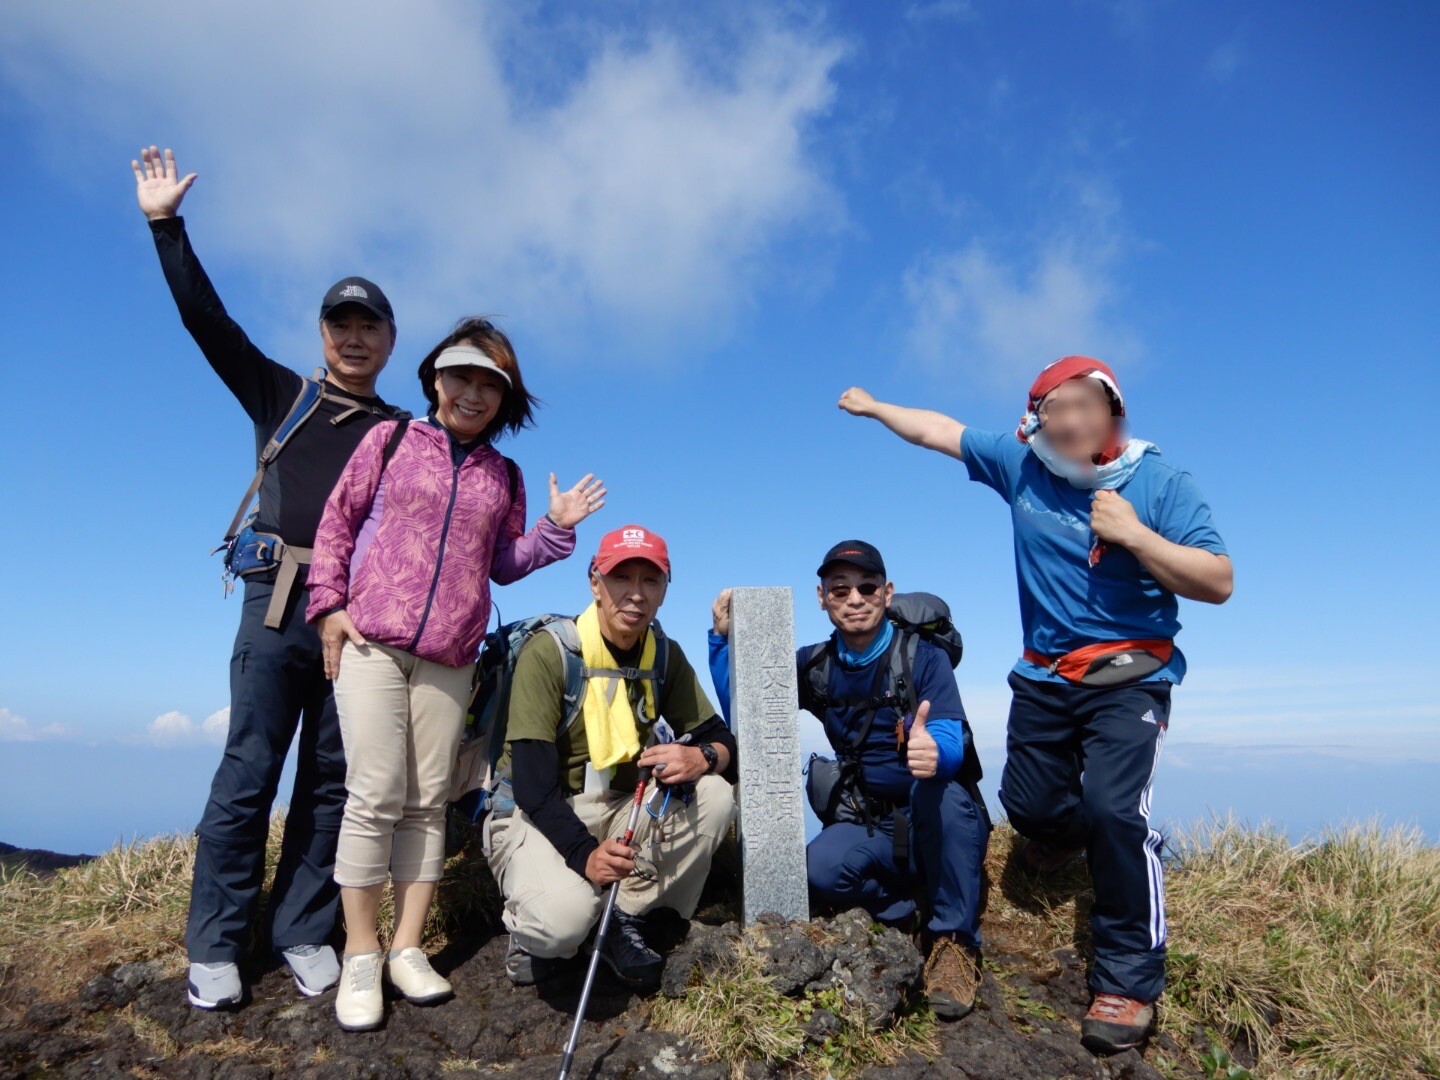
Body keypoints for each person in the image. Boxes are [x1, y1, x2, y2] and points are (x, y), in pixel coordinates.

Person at [838, 357, 1232, 1054]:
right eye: (1058, 407)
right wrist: (875, 408)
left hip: (1131, 675)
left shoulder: (1159, 482)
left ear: (1113, 412)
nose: (1074, 420)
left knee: (1115, 811)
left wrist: (1136, 535)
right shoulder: (1022, 465)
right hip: (1044, 677)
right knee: (1029, 808)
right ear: (1036, 419)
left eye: (1089, 405)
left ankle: (1128, 980)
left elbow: (1218, 580)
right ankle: (1069, 834)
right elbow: (939, 431)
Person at [134, 145, 410, 1009]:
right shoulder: (282, 394)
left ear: (390, 341)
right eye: (340, 325)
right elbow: (207, 323)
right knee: (249, 770)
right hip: (278, 602)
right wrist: (166, 227)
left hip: (357, 621)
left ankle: (300, 929)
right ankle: (216, 943)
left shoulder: (404, 432)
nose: (354, 338)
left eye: (369, 327)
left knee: (332, 781)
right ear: (322, 335)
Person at [306, 320, 605, 1031]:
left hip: (451, 655)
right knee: (373, 794)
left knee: (425, 801)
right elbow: (337, 521)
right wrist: (328, 606)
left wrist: (556, 529)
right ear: (435, 380)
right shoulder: (390, 439)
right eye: (461, 377)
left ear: (505, 398)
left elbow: (503, 563)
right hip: (373, 641)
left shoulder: (505, 475)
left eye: (489, 384)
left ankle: (407, 947)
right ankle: (361, 952)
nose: (473, 393)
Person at [708, 542, 990, 1020]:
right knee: (818, 871)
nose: (855, 598)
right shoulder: (814, 665)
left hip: (935, 814)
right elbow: (747, 708)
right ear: (822, 598)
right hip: (870, 820)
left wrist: (936, 753)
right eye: (840, 590)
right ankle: (904, 911)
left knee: (942, 796)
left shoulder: (922, 656)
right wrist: (722, 641)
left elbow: (947, 733)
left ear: (887, 593)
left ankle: (953, 942)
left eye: (867, 587)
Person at [488, 525, 738, 991]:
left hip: (622, 805)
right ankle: (536, 932)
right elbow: (533, 788)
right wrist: (586, 856)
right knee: (562, 924)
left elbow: (723, 741)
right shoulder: (552, 653)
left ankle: (624, 914)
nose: (636, 594)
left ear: (664, 590)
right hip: (542, 811)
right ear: (595, 582)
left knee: (715, 795)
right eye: (622, 577)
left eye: (651, 580)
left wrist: (703, 756)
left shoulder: (662, 655)